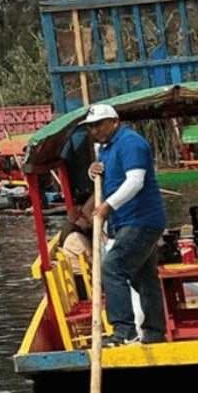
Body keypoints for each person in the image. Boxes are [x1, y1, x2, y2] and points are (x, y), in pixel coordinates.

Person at [86, 103, 168, 346]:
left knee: (112, 269)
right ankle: (154, 332)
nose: (95, 130)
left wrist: (106, 207)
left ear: (115, 121)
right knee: (144, 278)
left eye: (99, 124)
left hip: (140, 220)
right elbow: (105, 174)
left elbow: (135, 181)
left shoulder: (131, 142)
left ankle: (124, 332)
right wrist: (93, 170)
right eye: (91, 126)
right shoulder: (107, 148)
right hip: (129, 222)